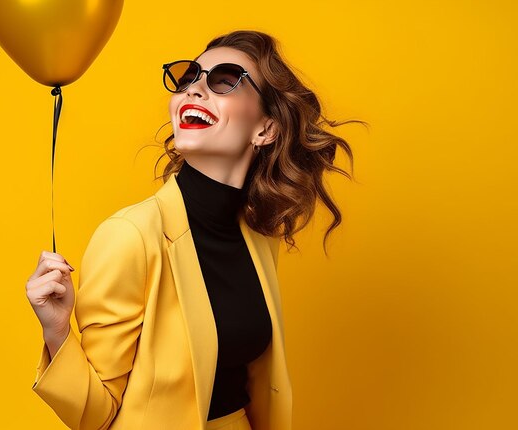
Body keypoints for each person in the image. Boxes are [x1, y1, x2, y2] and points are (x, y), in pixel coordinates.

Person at [26, 30, 362, 430]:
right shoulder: (130, 235)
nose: (196, 89)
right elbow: (96, 415)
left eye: (224, 81)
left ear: (266, 130)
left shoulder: (259, 235)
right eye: (190, 78)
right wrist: (57, 331)